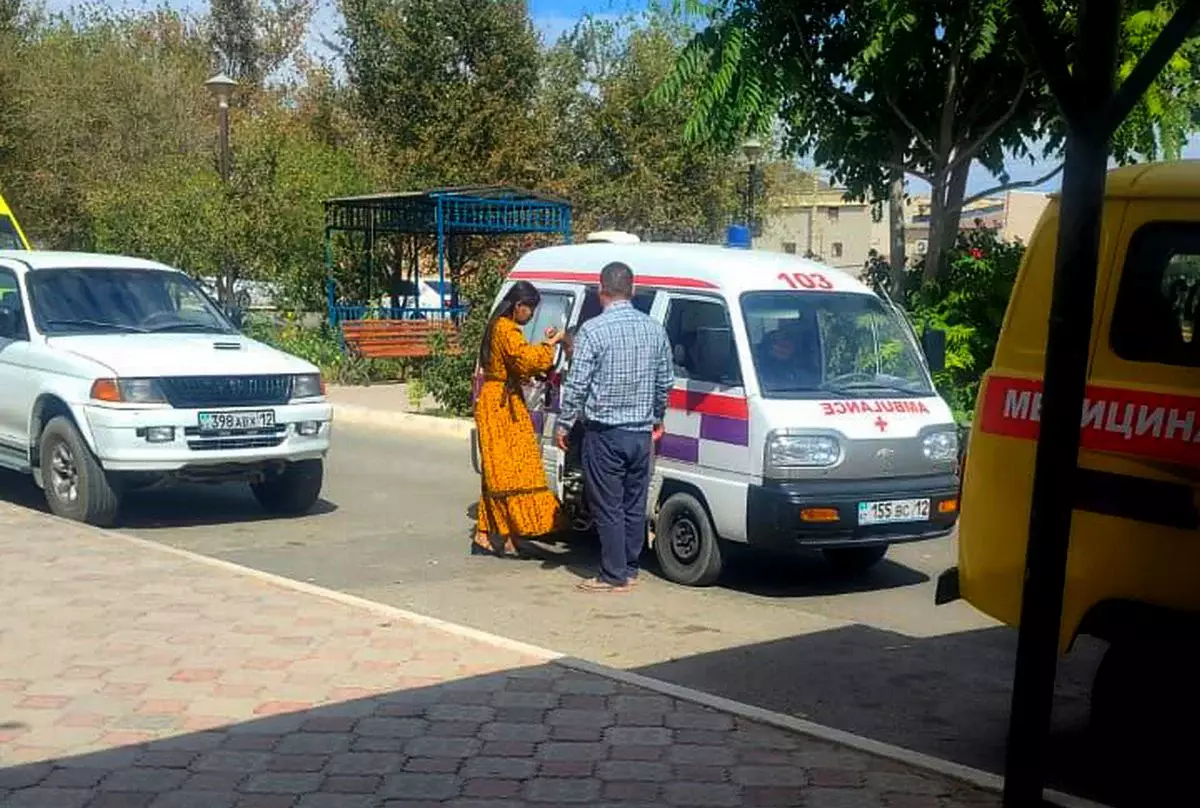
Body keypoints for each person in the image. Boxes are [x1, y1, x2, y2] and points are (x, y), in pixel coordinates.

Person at [555, 262, 673, 593]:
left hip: (605, 434)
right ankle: (631, 568)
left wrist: (564, 424)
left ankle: (612, 573)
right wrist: (657, 416)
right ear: (633, 290)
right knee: (634, 504)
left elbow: (577, 385)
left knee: (607, 504)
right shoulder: (654, 329)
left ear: (600, 290)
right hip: (640, 434)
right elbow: (665, 381)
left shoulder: (593, 331)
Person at [473, 281, 566, 557]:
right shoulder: (506, 329)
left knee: (502, 471)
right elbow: (524, 360)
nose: (531, 315)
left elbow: (515, 365)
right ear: (518, 306)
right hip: (499, 405)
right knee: (508, 470)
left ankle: (504, 533)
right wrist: (550, 344)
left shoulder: (500, 327)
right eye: (531, 309)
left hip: (503, 399)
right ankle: (494, 532)